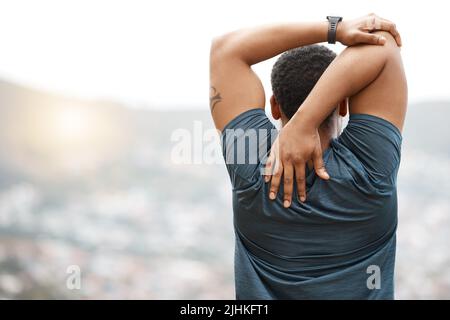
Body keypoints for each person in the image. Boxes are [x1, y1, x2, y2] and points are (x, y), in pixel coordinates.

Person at [209, 14, 407, 299]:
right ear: (342, 104)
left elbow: (226, 50)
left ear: (275, 106)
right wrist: (307, 120)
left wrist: (334, 30)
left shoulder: (253, 168)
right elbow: (383, 43)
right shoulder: (371, 170)